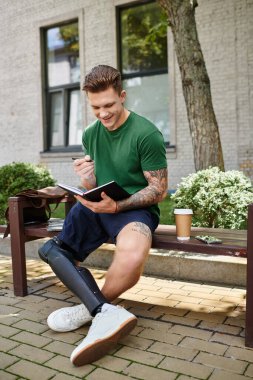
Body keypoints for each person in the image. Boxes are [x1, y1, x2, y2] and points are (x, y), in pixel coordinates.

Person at [39, 64, 168, 366]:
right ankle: (104, 312)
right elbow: (94, 184)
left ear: (122, 96)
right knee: (52, 250)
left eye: (109, 105)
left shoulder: (146, 133)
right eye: (96, 107)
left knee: (133, 254)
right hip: (96, 206)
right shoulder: (90, 134)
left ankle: (93, 309)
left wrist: (118, 207)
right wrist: (86, 180)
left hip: (132, 208)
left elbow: (158, 189)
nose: (103, 113)